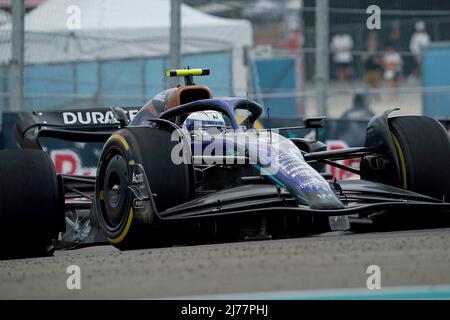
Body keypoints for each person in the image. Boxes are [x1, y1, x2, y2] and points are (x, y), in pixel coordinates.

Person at [363, 31, 382, 97]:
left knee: (376, 84)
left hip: (376, 69)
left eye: (374, 38)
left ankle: (377, 97)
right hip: (368, 69)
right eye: (371, 38)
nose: (372, 39)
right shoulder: (366, 47)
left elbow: (380, 60)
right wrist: (368, 53)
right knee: (368, 84)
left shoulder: (378, 48)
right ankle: (368, 98)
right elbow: (363, 58)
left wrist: (376, 60)